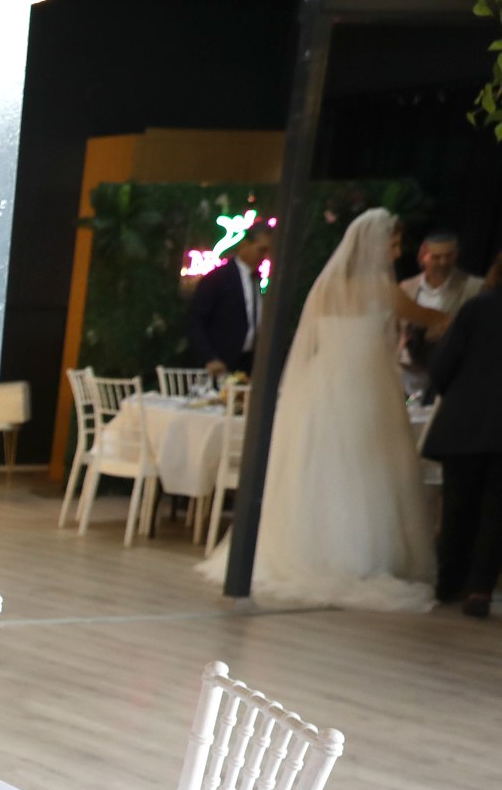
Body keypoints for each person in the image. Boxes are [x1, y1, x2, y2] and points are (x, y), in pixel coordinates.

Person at [199, 208, 454, 610]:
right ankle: (357, 555)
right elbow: (430, 317)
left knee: (322, 470)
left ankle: (315, 548)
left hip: (322, 386)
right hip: (364, 389)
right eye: (392, 244)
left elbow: (312, 342)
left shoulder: (325, 288)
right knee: (362, 469)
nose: (396, 252)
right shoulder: (383, 290)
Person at [422, 252, 502, 616]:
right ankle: (480, 588)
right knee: (496, 510)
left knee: (458, 504)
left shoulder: (476, 308)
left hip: (466, 419)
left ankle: (448, 582)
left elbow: (444, 364)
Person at [399, 230, 484, 399]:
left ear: (456, 255)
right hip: (409, 376)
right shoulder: (407, 288)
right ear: (423, 256)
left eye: (448, 256)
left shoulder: (474, 288)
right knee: (409, 408)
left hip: (447, 379)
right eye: (436, 257)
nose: (443, 262)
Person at [186, 221, 273, 377]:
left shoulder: (257, 280)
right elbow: (195, 321)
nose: (264, 257)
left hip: (249, 362)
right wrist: (210, 357)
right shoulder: (218, 278)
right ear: (244, 246)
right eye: (261, 250)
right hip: (222, 362)